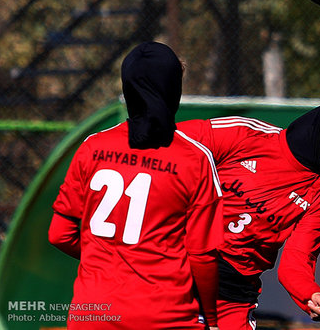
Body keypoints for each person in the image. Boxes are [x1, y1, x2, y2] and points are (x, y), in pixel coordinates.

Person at [48, 42, 224, 329]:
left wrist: (111, 257)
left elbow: (59, 234)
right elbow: (202, 256)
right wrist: (213, 321)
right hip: (165, 317)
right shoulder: (195, 159)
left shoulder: (92, 148)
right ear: (172, 90)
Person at [177, 94, 320, 329]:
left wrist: (310, 294)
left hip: (233, 295)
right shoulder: (245, 134)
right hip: (177, 269)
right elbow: (169, 145)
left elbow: (296, 260)